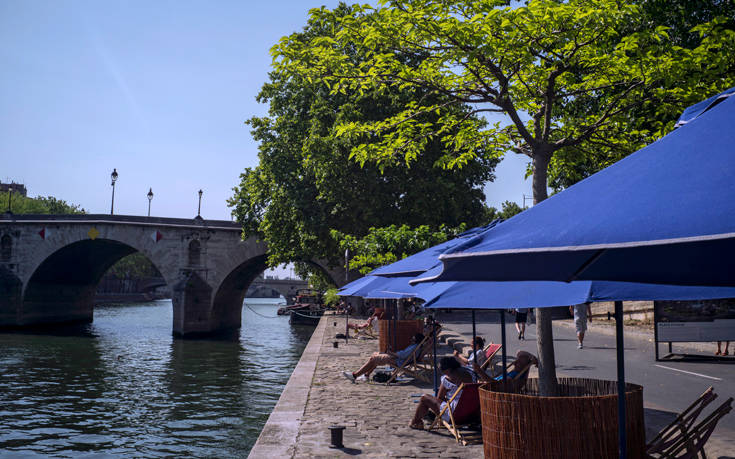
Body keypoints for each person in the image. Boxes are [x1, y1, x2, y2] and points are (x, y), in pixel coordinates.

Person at [409, 356, 475, 430]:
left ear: (447, 369)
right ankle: (431, 419)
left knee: (424, 398)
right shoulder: (471, 374)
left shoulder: (448, 378)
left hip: (455, 417)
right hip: (471, 415)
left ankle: (416, 422)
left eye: (442, 370)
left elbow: (440, 397)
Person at [342, 332, 425, 382]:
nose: (411, 338)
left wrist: (390, 352)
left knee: (373, 359)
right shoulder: (415, 346)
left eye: (413, 337)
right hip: (398, 359)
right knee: (375, 355)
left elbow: (402, 355)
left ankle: (354, 376)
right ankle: (366, 375)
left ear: (416, 339)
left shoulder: (414, 347)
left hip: (397, 360)